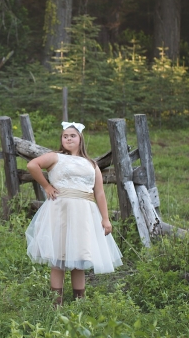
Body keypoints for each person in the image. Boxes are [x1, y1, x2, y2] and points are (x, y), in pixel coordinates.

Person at [25, 121, 123, 306]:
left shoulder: (91, 164)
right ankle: (57, 303)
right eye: (65, 136)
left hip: (84, 212)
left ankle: (80, 301)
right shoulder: (56, 158)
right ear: (61, 140)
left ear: (80, 139)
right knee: (59, 255)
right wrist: (46, 186)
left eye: (72, 135)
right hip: (61, 209)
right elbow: (32, 165)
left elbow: (99, 192)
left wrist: (105, 218)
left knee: (80, 255)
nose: (68, 138)